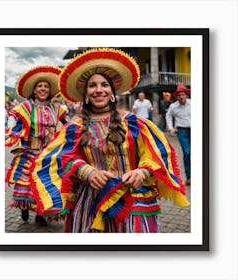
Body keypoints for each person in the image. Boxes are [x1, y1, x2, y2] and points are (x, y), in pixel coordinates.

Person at [31, 48, 189, 233]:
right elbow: (55, 158)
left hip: (134, 201)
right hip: (91, 203)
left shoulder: (135, 123)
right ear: (86, 94)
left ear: (112, 91)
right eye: (92, 86)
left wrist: (142, 173)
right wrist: (86, 171)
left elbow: (158, 154)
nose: (99, 90)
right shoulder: (74, 127)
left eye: (104, 85)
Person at [5, 65, 69, 226]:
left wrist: (75, 132)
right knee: (26, 183)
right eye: (40, 86)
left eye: (46, 86)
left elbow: (67, 125)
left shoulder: (57, 109)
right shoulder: (25, 108)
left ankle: (41, 213)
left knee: (45, 183)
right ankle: (25, 207)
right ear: (34, 90)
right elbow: (15, 123)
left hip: (48, 154)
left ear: (50, 91)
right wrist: (14, 133)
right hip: (29, 151)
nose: (43, 88)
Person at [166, 83, 191, 185]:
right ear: (176, 97)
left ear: (186, 95)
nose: (181, 97)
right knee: (187, 152)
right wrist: (171, 128)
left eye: (183, 95)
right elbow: (168, 116)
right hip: (182, 131)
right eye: (179, 95)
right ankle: (189, 176)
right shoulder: (173, 106)